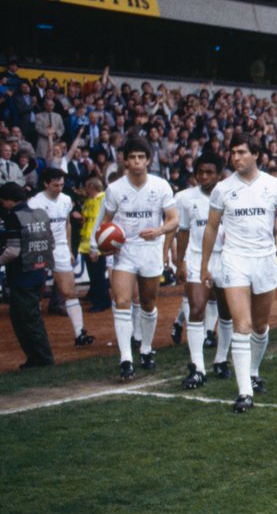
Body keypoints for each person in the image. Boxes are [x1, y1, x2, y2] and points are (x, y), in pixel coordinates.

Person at [203, 134, 277, 412]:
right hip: (234, 259)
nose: (236, 157)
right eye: (233, 152)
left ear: (256, 155)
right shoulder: (222, 189)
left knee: (260, 327)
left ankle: (253, 370)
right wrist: (205, 265)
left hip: (264, 260)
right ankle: (244, 392)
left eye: (242, 152)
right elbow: (212, 228)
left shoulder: (274, 186)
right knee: (242, 325)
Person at [94, 137, 178, 380]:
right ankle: (125, 359)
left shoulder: (161, 185)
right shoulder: (115, 189)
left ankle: (146, 349)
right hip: (125, 251)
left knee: (149, 304)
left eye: (141, 157)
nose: (137, 162)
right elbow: (105, 222)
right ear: (125, 160)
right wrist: (104, 244)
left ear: (148, 160)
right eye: (132, 157)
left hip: (151, 249)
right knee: (122, 302)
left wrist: (159, 231)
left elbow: (173, 219)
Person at [27, 167, 94, 347]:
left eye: (62, 185)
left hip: (61, 248)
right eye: (55, 185)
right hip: (40, 249)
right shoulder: (35, 203)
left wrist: (68, 248)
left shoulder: (66, 200)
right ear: (46, 184)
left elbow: (67, 224)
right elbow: (31, 231)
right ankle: (33, 337)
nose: (59, 188)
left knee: (69, 292)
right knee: (34, 292)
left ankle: (79, 333)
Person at [173, 153, 223, 389]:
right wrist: (179, 260)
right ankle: (198, 368)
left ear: (219, 174)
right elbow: (182, 230)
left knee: (227, 311)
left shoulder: (229, 194)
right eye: (200, 172)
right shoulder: (183, 198)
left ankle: (221, 360)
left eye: (209, 172)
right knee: (196, 308)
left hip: (224, 257)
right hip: (195, 258)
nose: (204, 177)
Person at [0, 182, 55, 368]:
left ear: (8, 200)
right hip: (37, 272)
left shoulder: (13, 217)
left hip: (21, 275)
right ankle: (36, 358)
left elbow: (13, 251)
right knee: (21, 316)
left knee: (29, 319)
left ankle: (43, 359)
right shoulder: (40, 214)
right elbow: (51, 244)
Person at [78, 176, 110, 311]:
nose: (85, 189)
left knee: (98, 276)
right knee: (94, 275)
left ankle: (101, 302)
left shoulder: (102, 199)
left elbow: (99, 223)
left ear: (92, 187)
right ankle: (97, 297)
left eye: (87, 186)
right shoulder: (89, 201)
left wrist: (95, 247)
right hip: (86, 244)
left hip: (95, 244)